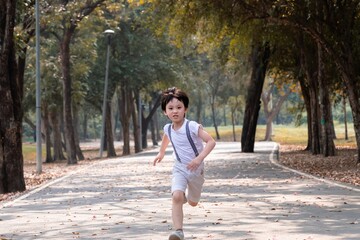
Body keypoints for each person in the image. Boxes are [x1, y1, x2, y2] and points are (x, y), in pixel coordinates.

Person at [153, 87, 216, 240]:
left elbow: (211, 141)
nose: (175, 111)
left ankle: (189, 197)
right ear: (165, 112)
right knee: (176, 197)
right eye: (171, 108)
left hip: (196, 169)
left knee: (193, 203)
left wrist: (198, 159)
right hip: (179, 167)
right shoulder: (168, 128)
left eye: (179, 107)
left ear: (185, 109)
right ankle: (178, 231)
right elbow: (167, 137)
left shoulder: (192, 126)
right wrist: (161, 153)